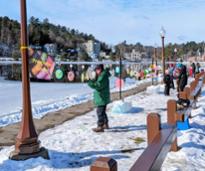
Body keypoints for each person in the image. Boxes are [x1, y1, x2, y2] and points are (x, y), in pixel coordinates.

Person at [88, 64, 111, 132]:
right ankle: (105, 123)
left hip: (102, 97)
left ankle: (100, 126)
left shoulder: (103, 76)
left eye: (97, 69)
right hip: (102, 97)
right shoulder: (101, 76)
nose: (96, 71)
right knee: (102, 112)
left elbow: (98, 85)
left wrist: (90, 82)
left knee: (99, 112)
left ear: (100, 69)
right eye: (96, 70)